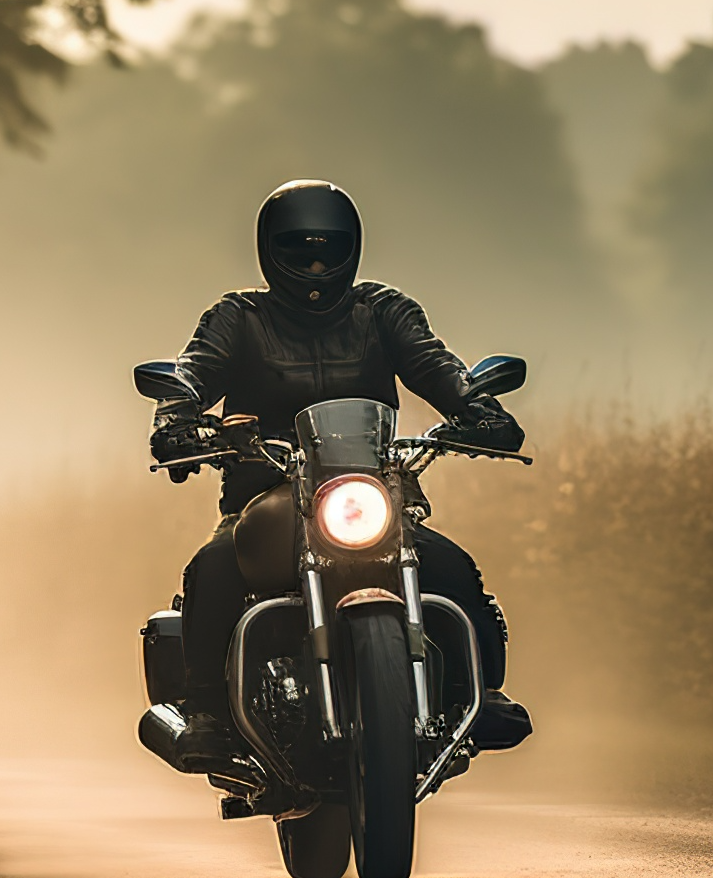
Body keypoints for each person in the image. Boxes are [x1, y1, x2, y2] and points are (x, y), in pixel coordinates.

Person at [149, 179, 525, 758]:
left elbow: (435, 364)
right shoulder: (237, 317)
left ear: (354, 248)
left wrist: (478, 408)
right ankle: (206, 713)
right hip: (267, 494)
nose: (318, 265)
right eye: (301, 252)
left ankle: (482, 698)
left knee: (451, 568)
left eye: (330, 250)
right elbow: (194, 371)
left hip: (371, 490)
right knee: (215, 568)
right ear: (270, 250)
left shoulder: (384, 311)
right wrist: (176, 418)